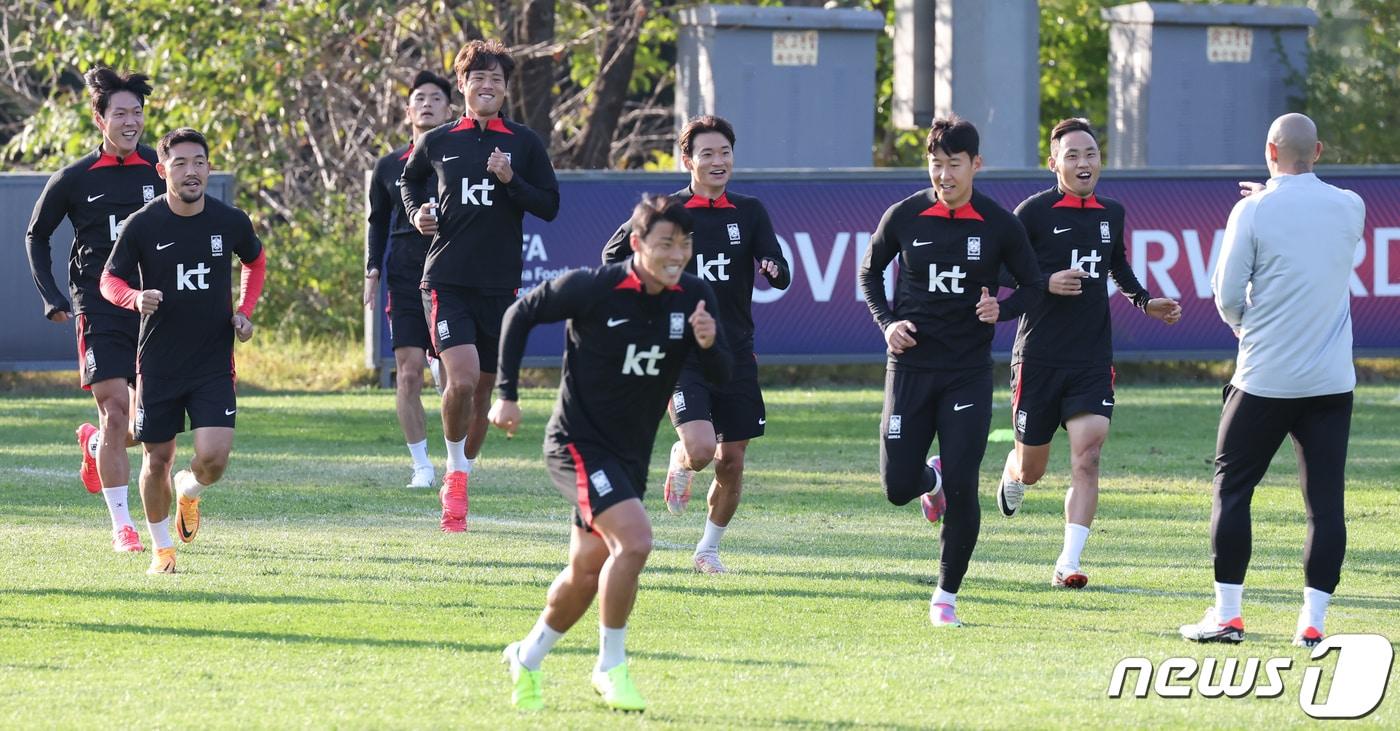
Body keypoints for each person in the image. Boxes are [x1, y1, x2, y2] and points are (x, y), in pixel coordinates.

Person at [491, 196, 729, 712]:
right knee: (637, 541)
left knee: (584, 572)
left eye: (685, 245)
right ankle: (609, 667)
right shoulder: (595, 287)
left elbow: (723, 377)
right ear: (639, 244)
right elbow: (520, 313)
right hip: (575, 445)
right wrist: (506, 393)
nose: (677, 255)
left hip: (628, 456)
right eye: (666, 243)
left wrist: (710, 345)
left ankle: (526, 657)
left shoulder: (694, 298)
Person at [1179, 113, 1364, 648]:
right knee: (1325, 505)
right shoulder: (1351, 206)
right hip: (1331, 381)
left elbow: (1228, 294)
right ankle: (1312, 624)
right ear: (1319, 151)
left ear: (1268, 149)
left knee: (1232, 491)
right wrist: (1272, 197)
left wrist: (1245, 329)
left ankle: (1229, 616)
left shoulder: (1252, 210)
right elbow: (1311, 235)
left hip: (1264, 377)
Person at [859, 116, 1042, 628]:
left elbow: (1032, 285)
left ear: (975, 165)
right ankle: (927, 481)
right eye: (936, 165)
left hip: (966, 373)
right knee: (897, 486)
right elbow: (870, 272)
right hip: (911, 366)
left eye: (953, 165)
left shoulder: (1000, 224)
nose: (943, 176)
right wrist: (887, 323)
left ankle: (946, 596)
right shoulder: (905, 215)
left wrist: (1001, 311)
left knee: (964, 484)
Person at [600, 115, 791, 574]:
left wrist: (771, 267)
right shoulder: (668, 212)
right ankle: (682, 457)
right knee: (703, 450)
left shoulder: (750, 212)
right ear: (687, 160)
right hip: (679, 349)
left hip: (736, 351)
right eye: (707, 154)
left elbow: (781, 270)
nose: (718, 161)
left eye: (724, 152)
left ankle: (708, 549)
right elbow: (613, 255)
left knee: (732, 461)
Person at [997, 118, 1182, 589]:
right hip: (1038, 358)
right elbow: (1001, 268)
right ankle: (1014, 468)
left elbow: (1115, 262)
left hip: (1091, 358)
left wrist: (1144, 301)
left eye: (1091, 154)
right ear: (1053, 162)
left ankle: (1069, 562)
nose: (1084, 163)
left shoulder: (1111, 213)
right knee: (1033, 470)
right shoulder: (1032, 212)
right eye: (1073, 155)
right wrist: (1044, 282)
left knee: (1088, 456)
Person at [400, 39, 560, 532]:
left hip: (501, 287)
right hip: (446, 280)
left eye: (496, 80)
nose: (487, 86)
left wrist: (511, 179)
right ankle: (453, 473)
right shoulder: (439, 140)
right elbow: (409, 182)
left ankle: (462, 473)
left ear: (506, 90)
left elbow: (549, 205)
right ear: (463, 86)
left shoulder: (524, 143)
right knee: (462, 380)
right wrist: (419, 213)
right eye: (478, 78)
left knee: (483, 394)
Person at [100, 128, 266, 575]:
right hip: (159, 362)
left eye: (199, 162)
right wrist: (133, 298)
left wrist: (244, 311)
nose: (191, 171)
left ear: (209, 167)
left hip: (213, 361)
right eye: (180, 163)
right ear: (162, 170)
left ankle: (189, 491)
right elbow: (108, 279)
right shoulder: (143, 224)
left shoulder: (230, 221)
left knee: (213, 460)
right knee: (156, 457)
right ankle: (162, 551)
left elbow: (255, 260)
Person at [24, 67, 164, 553]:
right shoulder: (75, 177)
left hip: (152, 309)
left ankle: (94, 448)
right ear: (99, 118)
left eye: (137, 112)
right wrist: (51, 295)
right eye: (120, 113)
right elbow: (36, 234)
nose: (131, 121)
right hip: (98, 307)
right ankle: (122, 526)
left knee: (143, 424)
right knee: (115, 411)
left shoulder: (160, 168)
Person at [364, 70, 453, 489]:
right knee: (409, 372)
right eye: (420, 98)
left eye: (436, 98)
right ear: (408, 110)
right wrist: (372, 271)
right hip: (403, 275)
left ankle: (457, 465)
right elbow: (377, 223)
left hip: (451, 274)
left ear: (450, 108)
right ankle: (421, 465)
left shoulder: (460, 157)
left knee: (455, 376)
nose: (427, 104)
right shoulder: (387, 167)